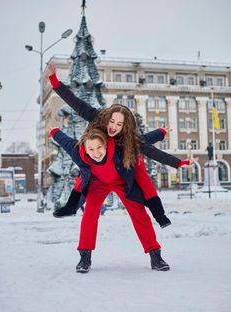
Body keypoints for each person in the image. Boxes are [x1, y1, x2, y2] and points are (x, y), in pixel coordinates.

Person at [47, 64, 190, 228]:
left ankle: (160, 216)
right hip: (101, 160)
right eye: (112, 121)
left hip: (125, 162)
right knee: (85, 171)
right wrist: (54, 81)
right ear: (107, 117)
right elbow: (75, 102)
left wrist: (176, 162)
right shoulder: (97, 117)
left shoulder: (128, 139)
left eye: (119, 124)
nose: (113, 127)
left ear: (124, 126)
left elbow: (148, 146)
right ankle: (71, 207)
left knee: (144, 181)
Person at [50, 126, 171, 273]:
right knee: (89, 214)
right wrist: (54, 131)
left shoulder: (121, 147)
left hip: (122, 181)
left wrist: (161, 132)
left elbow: (143, 140)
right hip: (97, 182)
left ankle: (155, 256)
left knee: (139, 213)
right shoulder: (77, 150)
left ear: (106, 144)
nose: (96, 153)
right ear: (85, 149)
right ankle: (84, 257)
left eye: (99, 147)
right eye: (91, 149)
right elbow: (64, 140)